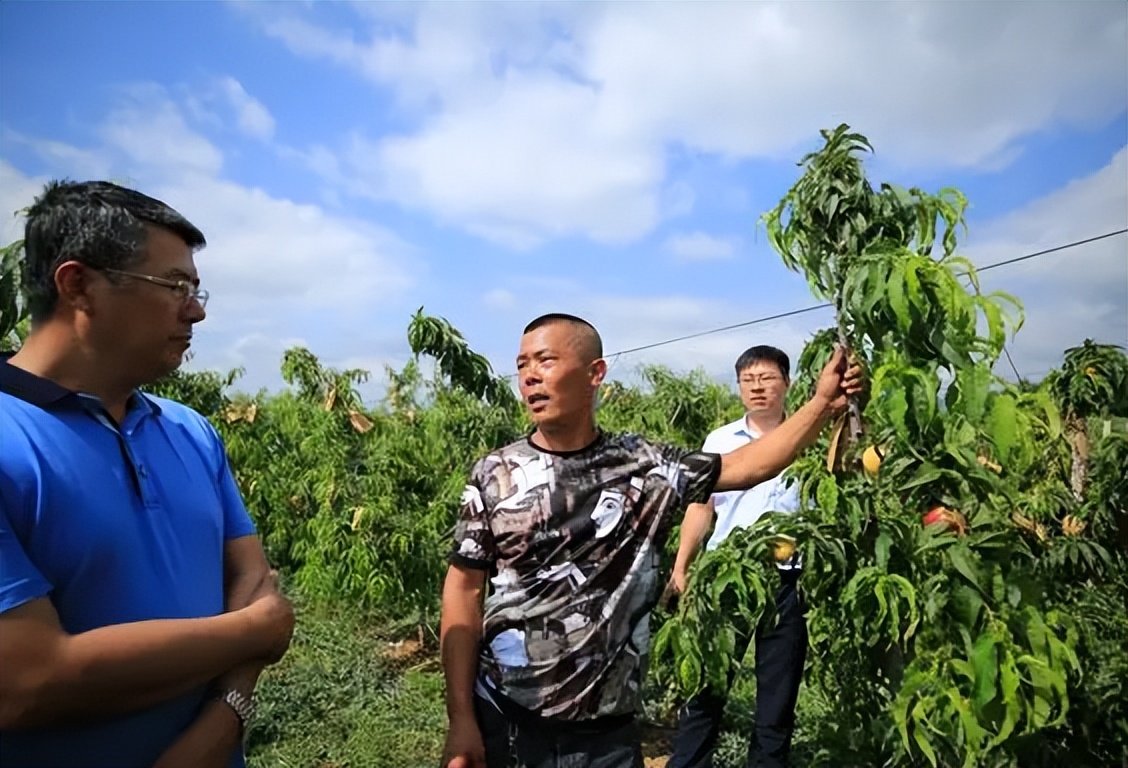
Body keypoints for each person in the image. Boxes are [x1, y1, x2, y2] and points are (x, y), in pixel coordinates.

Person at [439, 315, 863, 768]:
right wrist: (461, 717)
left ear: (595, 373)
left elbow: (748, 466)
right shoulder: (495, 473)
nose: (529, 376)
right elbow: (463, 590)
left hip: (607, 731)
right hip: (507, 718)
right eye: (522, 364)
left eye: (546, 360)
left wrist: (821, 404)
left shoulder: (642, 466)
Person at [0, 181, 296, 768]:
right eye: (174, 286)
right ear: (77, 285)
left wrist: (220, 724)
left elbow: (253, 582)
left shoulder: (191, 431)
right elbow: (26, 682)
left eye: (195, 287)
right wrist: (258, 633)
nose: (197, 308)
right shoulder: (12, 440)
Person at [667, 345, 806, 768]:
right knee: (708, 684)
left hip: (788, 580)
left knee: (777, 698)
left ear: (788, 383)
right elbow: (701, 507)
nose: (758, 388)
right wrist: (681, 565)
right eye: (749, 380)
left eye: (767, 378)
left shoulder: (807, 439)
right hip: (728, 577)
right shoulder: (721, 441)